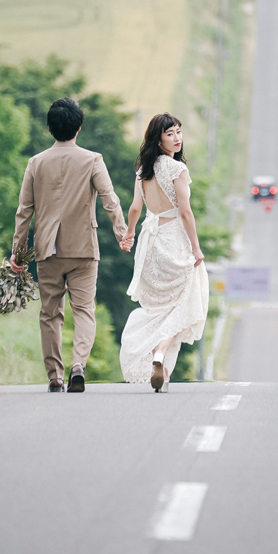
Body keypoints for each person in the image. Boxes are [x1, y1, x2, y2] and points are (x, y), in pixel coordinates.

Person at [10, 97, 127, 393]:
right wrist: (121, 232)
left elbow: (24, 211)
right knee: (84, 310)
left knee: (50, 313)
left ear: (50, 128)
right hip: (84, 248)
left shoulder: (36, 163)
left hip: (47, 249)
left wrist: (18, 253)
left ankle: (55, 376)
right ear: (78, 128)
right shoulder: (92, 160)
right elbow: (109, 198)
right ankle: (78, 366)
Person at [119, 113, 209, 391]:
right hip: (174, 241)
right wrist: (196, 248)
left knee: (160, 307)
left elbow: (135, 208)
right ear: (158, 140)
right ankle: (160, 352)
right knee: (185, 301)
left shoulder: (142, 171)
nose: (177, 138)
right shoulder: (176, 169)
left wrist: (129, 234)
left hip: (150, 245)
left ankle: (162, 370)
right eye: (170, 134)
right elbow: (185, 212)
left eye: (179, 131)